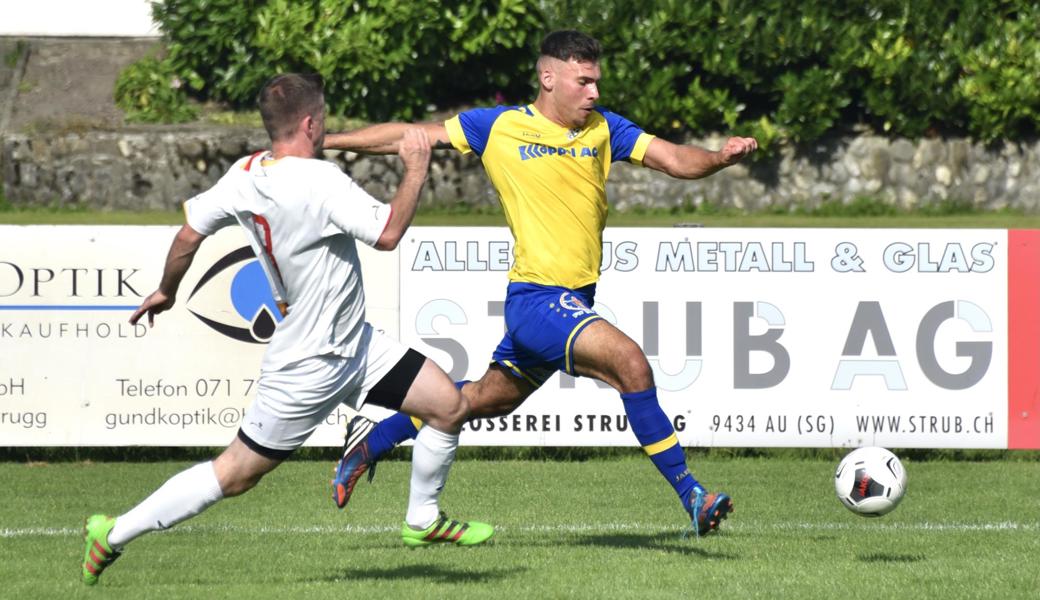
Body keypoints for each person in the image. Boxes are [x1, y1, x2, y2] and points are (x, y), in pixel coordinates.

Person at [325, 30, 757, 537]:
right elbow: (410, 135)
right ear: (548, 77)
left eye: (596, 81)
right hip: (536, 300)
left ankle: (371, 442)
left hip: (574, 301)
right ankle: (693, 495)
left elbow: (675, 159)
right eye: (584, 81)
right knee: (631, 364)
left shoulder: (605, 129)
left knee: (475, 401)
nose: (595, 92)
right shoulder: (499, 126)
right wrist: (327, 142)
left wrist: (719, 158)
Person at [81, 73, 493, 586]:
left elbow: (188, 235)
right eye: (324, 118)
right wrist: (416, 168)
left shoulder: (246, 172)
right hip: (308, 362)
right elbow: (387, 234)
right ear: (311, 123)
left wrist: (167, 289)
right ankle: (113, 533)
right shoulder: (319, 181)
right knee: (235, 474)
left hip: (357, 345)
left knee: (448, 406)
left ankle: (422, 520)